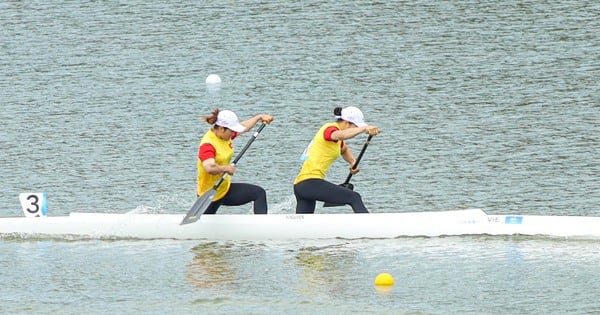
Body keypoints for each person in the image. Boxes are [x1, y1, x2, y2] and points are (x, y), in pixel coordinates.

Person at [293, 106, 380, 214]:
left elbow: (344, 149)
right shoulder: (330, 129)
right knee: (354, 197)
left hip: (302, 185)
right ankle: (369, 227)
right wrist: (363, 129)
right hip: (309, 183)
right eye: (355, 127)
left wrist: (353, 162)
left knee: (303, 224)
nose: (356, 131)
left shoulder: (337, 141)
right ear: (347, 123)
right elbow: (340, 135)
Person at [197, 109, 274, 214]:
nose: (234, 133)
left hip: (225, 190)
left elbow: (243, 127)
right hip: (210, 195)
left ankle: (261, 227)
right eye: (232, 131)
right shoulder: (208, 144)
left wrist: (259, 117)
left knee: (258, 193)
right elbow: (209, 167)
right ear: (221, 128)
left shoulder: (224, 135)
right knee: (206, 224)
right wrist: (226, 168)